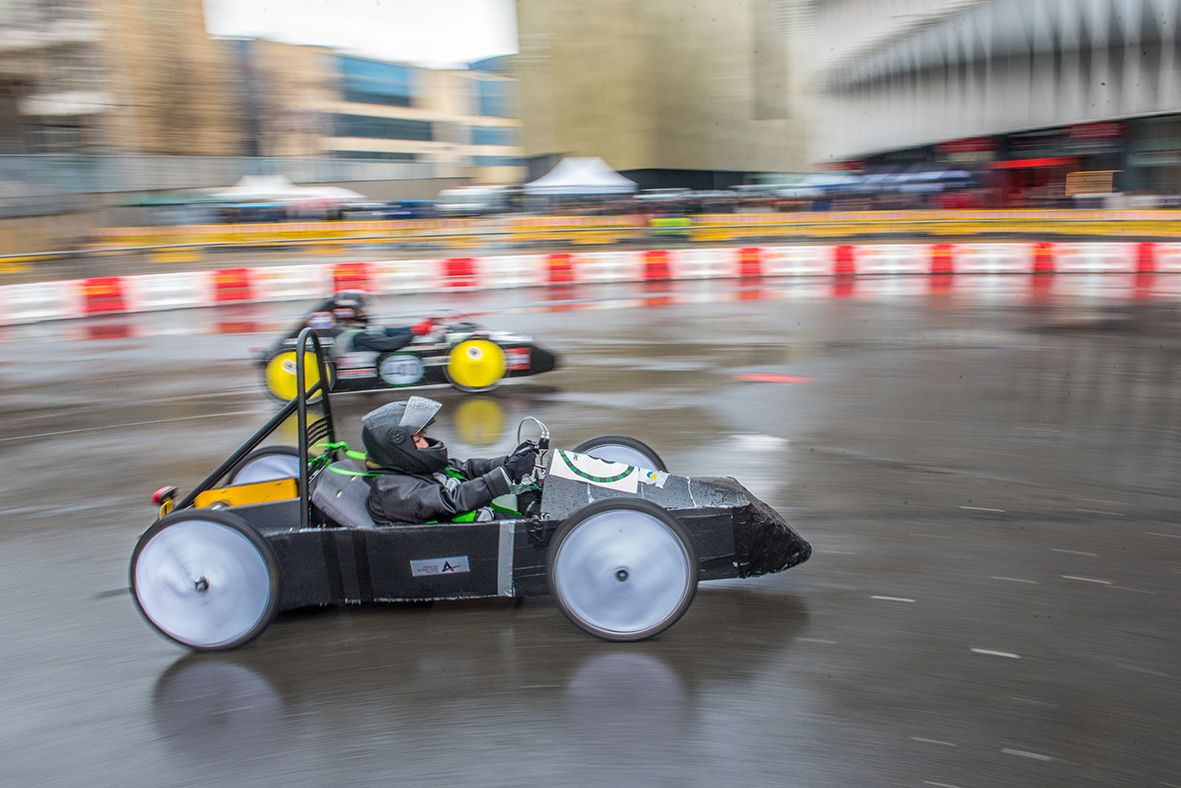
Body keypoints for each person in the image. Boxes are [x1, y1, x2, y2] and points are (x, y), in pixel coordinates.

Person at [361, 396, 538, 525]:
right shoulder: (393, 492)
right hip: (463, 542)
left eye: (423, 436)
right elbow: (449, 501)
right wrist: (506, 474)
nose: (425, 443)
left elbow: (464, 469)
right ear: (396, 448)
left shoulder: (409, 468)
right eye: (418, 440)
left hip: (481, 523)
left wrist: (507, 463)